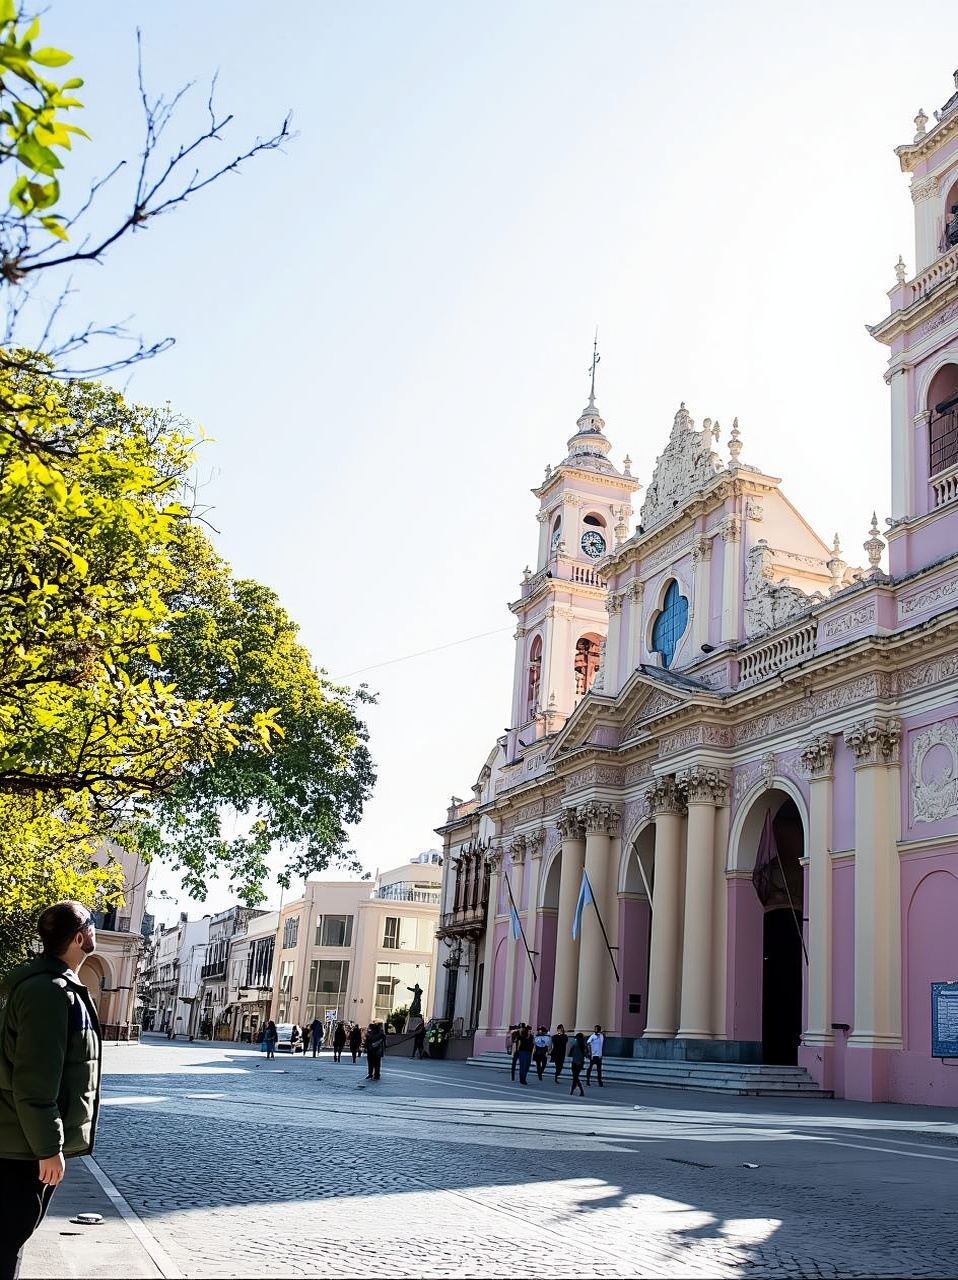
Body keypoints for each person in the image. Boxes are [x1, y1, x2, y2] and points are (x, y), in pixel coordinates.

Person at [0, 901, 103, 1280]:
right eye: (91, 923)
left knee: (10, 1242)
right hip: (22, 1149)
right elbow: (34, 1080)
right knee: (6, 1243)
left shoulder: (57, 987)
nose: (94, 929)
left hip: (22, 1142)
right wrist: (48, 1148)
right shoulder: (49, 992)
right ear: (78, 937)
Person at [569, 1032, 587, 1097]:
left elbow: (571, 1051)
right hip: (580, 1062)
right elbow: (585, 1053)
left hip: (574, 1061)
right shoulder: (583, 1044)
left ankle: (578, 1091)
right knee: (575, 1077)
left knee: (575, 1077)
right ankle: (573, 1091)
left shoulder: (575, 1043)